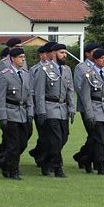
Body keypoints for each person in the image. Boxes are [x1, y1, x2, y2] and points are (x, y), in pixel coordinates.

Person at [33, 42, 75, 177]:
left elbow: (70, 90)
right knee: (56, 140)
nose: (64, 55)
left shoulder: (67, 70)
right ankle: (57, 167)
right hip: (50, 108)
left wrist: (71, 108)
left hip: (63, 109)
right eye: (61, 52)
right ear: (54, 54)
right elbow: (39, 92)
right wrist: (41, 111)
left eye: (65, 53)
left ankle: (45, 160)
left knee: (64, 138)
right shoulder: (44, 70)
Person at [0, 47, 34, 180]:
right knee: (13, 145)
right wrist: (2, 117)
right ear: (12, 59)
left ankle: (5, 162)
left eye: (24, 57)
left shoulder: (26, 74)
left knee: (23, 143)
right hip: (10, 112)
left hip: (22, 113)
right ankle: (13, 170)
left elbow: (29, 96)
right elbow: (0, 98)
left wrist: (30, 113)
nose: (23, 60)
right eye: (20, 57)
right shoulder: (5, 75)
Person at [77, 47, 104, 175]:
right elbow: (86, 97)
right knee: (99, 140)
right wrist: (89, 114)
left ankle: (87, 159)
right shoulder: (89, 75)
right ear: (95, 60)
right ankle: (100, 166)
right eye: (101, 58)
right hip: (95, 109)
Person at [72, 42, 101, 167]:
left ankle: (82, 156)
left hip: (100, 108)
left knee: (98, 136)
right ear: (87, 54)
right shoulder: (81, 67)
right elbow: (79, 88)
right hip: (86, 107)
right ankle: (89, 158)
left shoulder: (100, 66)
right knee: (94, 134)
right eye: (94, 51)